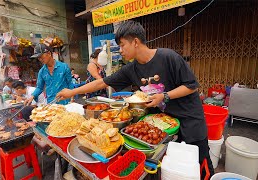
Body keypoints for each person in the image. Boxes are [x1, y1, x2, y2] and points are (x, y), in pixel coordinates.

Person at [57, 20, 214, 178]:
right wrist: (72, 92)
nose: (121, 50)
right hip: (164, 125)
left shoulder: (168, 57)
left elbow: (192, 85)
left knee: (199, 165)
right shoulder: (131, 69)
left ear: (136, 42)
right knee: (174, 168)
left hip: (190, 121)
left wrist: (165, 96)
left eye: (122, 45)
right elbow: (101, 82)